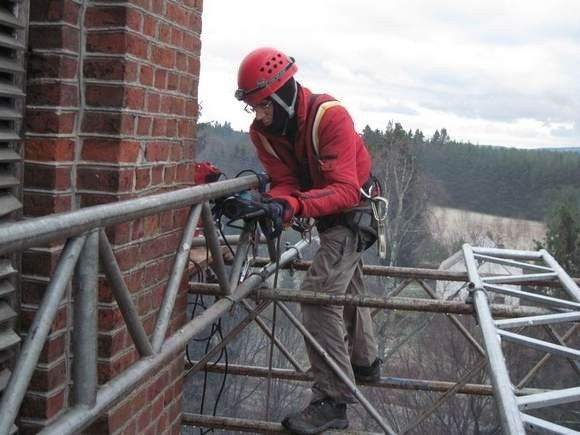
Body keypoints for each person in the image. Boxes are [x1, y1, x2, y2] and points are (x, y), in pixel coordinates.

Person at [235, 47, 381, 434]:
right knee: (344, 285)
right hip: (324, 212)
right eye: (254, 108)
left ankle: (332, 399)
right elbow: (284, 180)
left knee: (316, 297)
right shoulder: (264, 133)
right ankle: (366, 363)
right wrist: (277, 201)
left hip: (352, 214)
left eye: (264, 106)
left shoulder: (330, 117)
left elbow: (346, 190)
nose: (260, 115)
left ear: (283, 94)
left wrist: (294, 205)